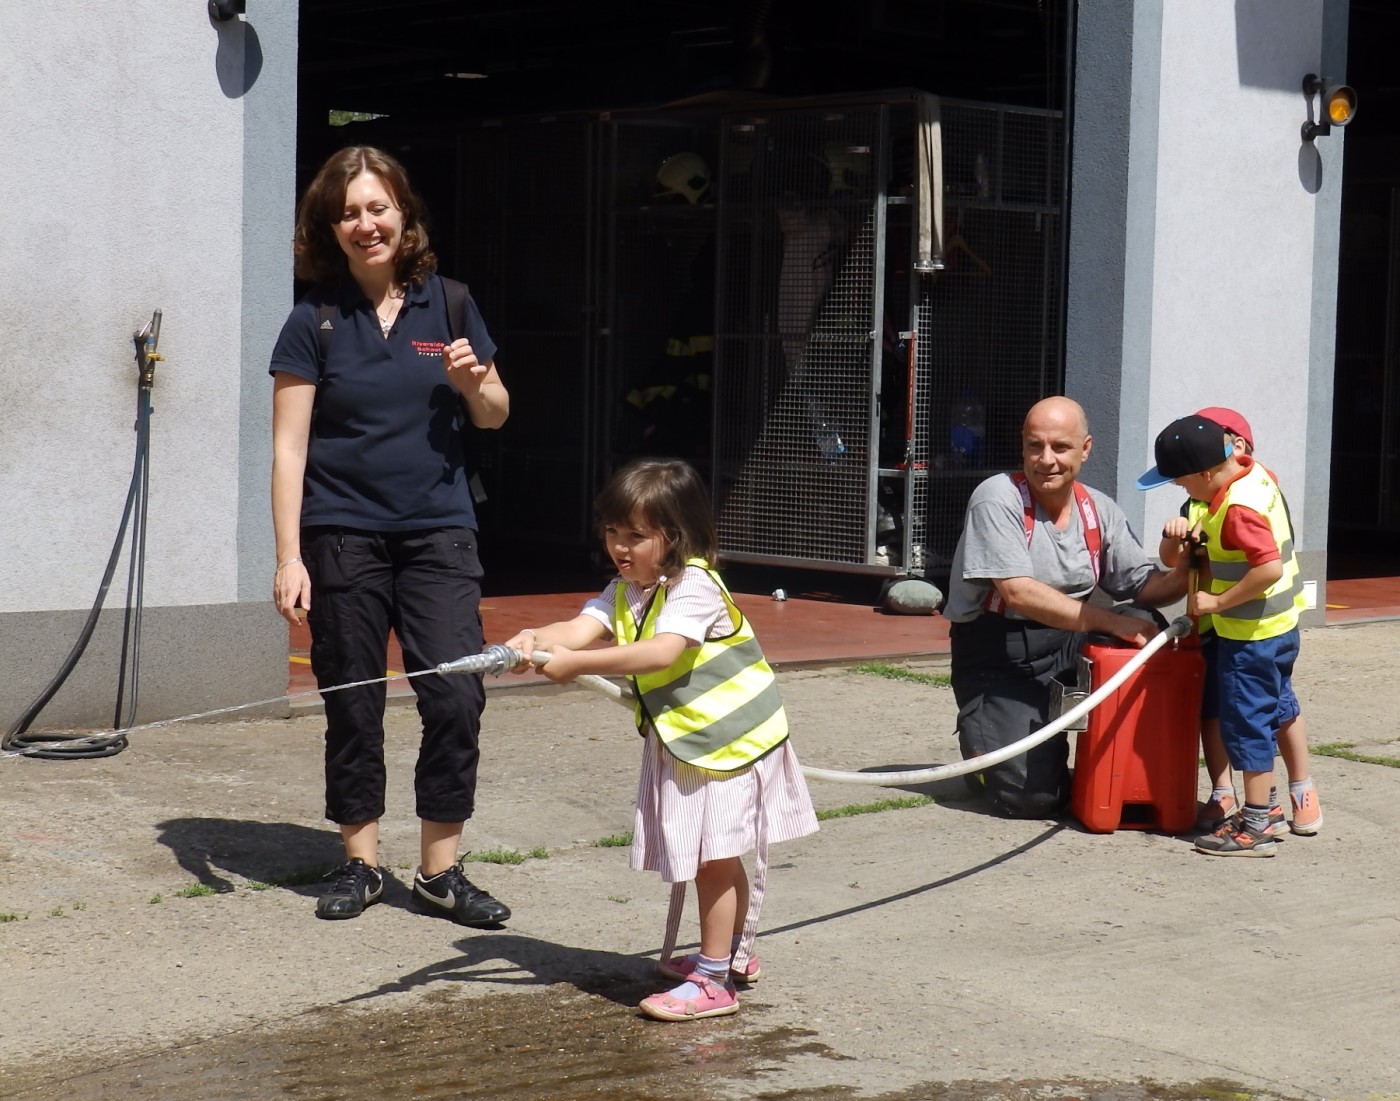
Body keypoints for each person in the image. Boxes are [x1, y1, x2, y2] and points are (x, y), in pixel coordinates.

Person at [269, 146, 513, 924]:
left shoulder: (451, 304)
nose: (365, 223)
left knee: (456, 693)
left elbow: (496, 413)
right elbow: (289, 448)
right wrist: (288, 556)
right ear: (330, 228)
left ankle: (440, 871)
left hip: (440, 532)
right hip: (343, 536)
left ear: (405, 215)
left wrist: (475, 386)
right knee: (353, 701)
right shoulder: (314, 320)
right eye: (348, 213)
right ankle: (361, 862)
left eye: (378, 207)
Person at [503, 458, 818, 1022]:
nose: (619, 547)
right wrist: (531, 638)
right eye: (611, 531)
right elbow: (576, 629)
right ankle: (733, 954)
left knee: (712, 859)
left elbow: (661, 651)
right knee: (717, 854)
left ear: (676, 534)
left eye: (636, 535)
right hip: (694, 743)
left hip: (728, 744)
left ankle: (714, 981)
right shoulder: (626, 588)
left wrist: (575, 664)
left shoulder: (695, 586)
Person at [942, 397, 1189, 818]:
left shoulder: (1099, 509)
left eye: (1060, 447)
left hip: (1068, 641)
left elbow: (1143, 586)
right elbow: (1018, 593)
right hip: (999, 656)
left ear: (1085, 449)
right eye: (1035, 446)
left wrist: (1187, 568)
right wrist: (1111, 622)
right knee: (1032, 799)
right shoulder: (997, 497)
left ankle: (1123, 764)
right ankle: (986, 758)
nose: (1046, 460)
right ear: (1022, 446)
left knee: (1145, 626)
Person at [1138, 413, 1309, 856]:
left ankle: (1256, 826)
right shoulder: (1251, 478)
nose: (1181, 490)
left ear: (1204, 473)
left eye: (1181, 482)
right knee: (1264, 716)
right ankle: (1268, 808)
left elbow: (1268, 568)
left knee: (1246, 727)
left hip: (1250, 636)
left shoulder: (1236, 508)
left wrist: (1217, 602)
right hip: (1278, 628)